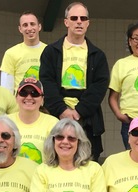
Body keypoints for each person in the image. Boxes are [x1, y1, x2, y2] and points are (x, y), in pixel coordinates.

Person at [40, 2, 109, 161]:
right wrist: (62, 110)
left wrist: (79, 111)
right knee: (54, 160)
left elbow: (99, 86)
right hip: (56, 115)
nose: (79, 21)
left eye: (83, 18)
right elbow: (46, 81)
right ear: (66, 22)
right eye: (74, 18)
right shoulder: (51, 51)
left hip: (88, 118)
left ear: (87, 23)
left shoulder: (98, 55)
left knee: (87, 161)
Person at [7, 78, 58, 164]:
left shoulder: (53, 123)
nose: (29, 97)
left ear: (42, 100)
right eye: (24, 93)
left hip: (42, 176)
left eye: (34, 93)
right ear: (16, 98)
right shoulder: (6, 122)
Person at [0, 12, 46, 92]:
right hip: (20, 103)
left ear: (39, 27)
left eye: (32, 24)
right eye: (25, 25)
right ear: (20, 29)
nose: (29, 28)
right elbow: (6, 89)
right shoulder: (11, 53)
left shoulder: (49, 51)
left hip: (46, 103)